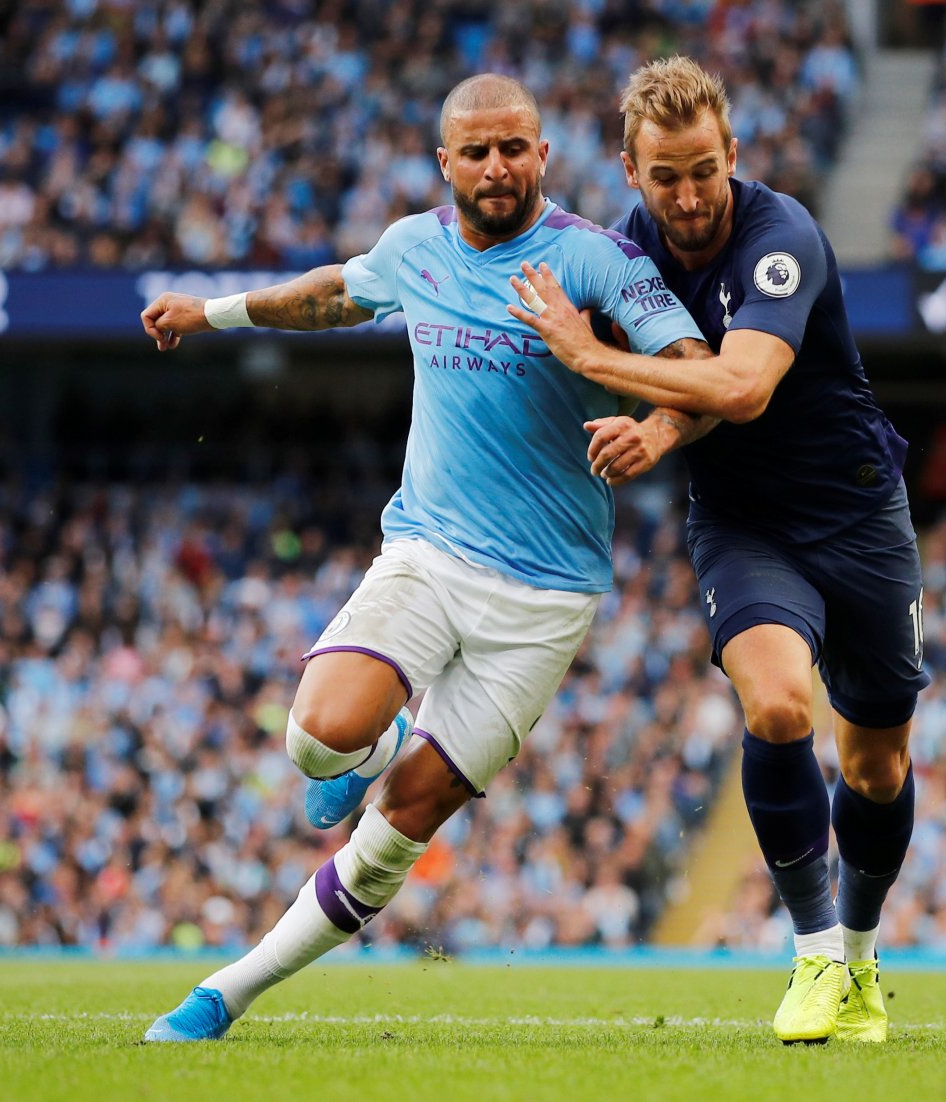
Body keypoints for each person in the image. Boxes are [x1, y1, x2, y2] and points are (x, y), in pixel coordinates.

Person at [135, 74, 704, 1041]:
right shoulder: (415, 247)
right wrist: (214, 311)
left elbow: (696, 370)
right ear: (446, 163)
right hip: (431, 553)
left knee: (399, 828)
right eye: (476, 152)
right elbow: (332, 294)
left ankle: (226, 993)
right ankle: (385, 739)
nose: (497, 168)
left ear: (542, 155)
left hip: (547, 599)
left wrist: (647, 420)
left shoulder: (598, 261)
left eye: (513, 148)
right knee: (317, 741)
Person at [508, 56, 927, 1044]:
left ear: (732, 153)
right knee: (777, 705)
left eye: (705, 170)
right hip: (743, 522)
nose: (690, 196)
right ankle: (816, 957)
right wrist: (653, 429)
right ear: (631, 171)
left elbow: (740, 387)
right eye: (667, 177)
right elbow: (673, 383)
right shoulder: (621, 257)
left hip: (858, 513)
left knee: (876, 767)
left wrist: (592, 357)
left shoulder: (783, 237)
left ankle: (862, 955)